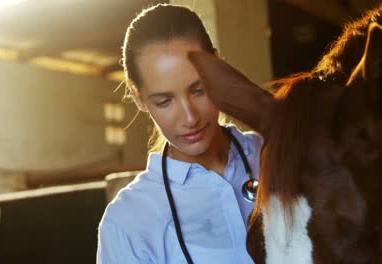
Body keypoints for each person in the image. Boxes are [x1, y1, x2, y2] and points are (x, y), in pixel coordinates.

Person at [97, 4, 263, 264]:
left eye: (199, 89)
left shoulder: (276, 155)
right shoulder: (128, 221)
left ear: (218, 68)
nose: (189, 117)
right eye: (164, 101)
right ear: (138, 98)